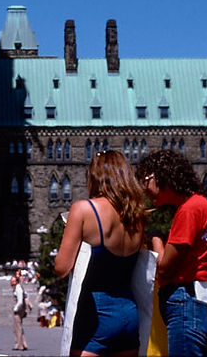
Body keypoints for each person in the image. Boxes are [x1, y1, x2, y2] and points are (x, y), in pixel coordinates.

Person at [54, 150, 146, 357]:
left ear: (95, 177)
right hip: (128, 312)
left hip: (95, 313)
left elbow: (61, 267)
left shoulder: (84, 210)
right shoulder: (136, 216)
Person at [137, 150, 207, 357]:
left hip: (185, 303)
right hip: (196, 302)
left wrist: (155, 238)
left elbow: (164, 267)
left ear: (161, 175)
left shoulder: (189, 210)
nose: (144, 189)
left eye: (145, 179)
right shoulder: (200, 204)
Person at [10, 274, 30, 351]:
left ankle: (19, 345)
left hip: (18, 310)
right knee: (19, 326)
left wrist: (15, 309)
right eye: (11, 281)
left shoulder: (18, 289)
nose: (12, 283)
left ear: (16, 281)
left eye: (13, 281)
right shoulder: (17, 288)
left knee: (17, 327)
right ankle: (24, 344)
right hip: (20, 309)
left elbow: (20, 301)